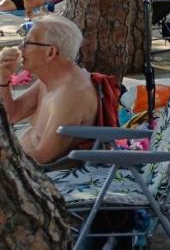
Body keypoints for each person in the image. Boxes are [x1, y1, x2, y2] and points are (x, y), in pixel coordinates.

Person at [0, 16, 98, 164]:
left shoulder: (70, 95)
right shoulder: (50, 80)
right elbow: (12, 115)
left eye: (27, 43)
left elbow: (43, 157)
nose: (20, 48)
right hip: (22, 158)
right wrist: (3, 78)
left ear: (51, 52)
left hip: (43, 172)